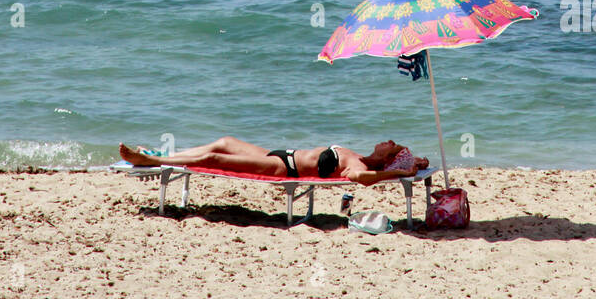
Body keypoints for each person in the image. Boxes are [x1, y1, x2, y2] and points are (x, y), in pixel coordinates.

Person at [118, 136, 428, 184]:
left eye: (394, 144)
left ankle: (150, 161)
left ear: (388, 157)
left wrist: (399, 173)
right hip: (280, 154)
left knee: (214, 158)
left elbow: (361, 180)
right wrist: (414, 163)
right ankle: (158, 157)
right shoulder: (360, 155)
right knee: (225, 142)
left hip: (284, 167)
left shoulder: (360, 166)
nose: (389, 140)